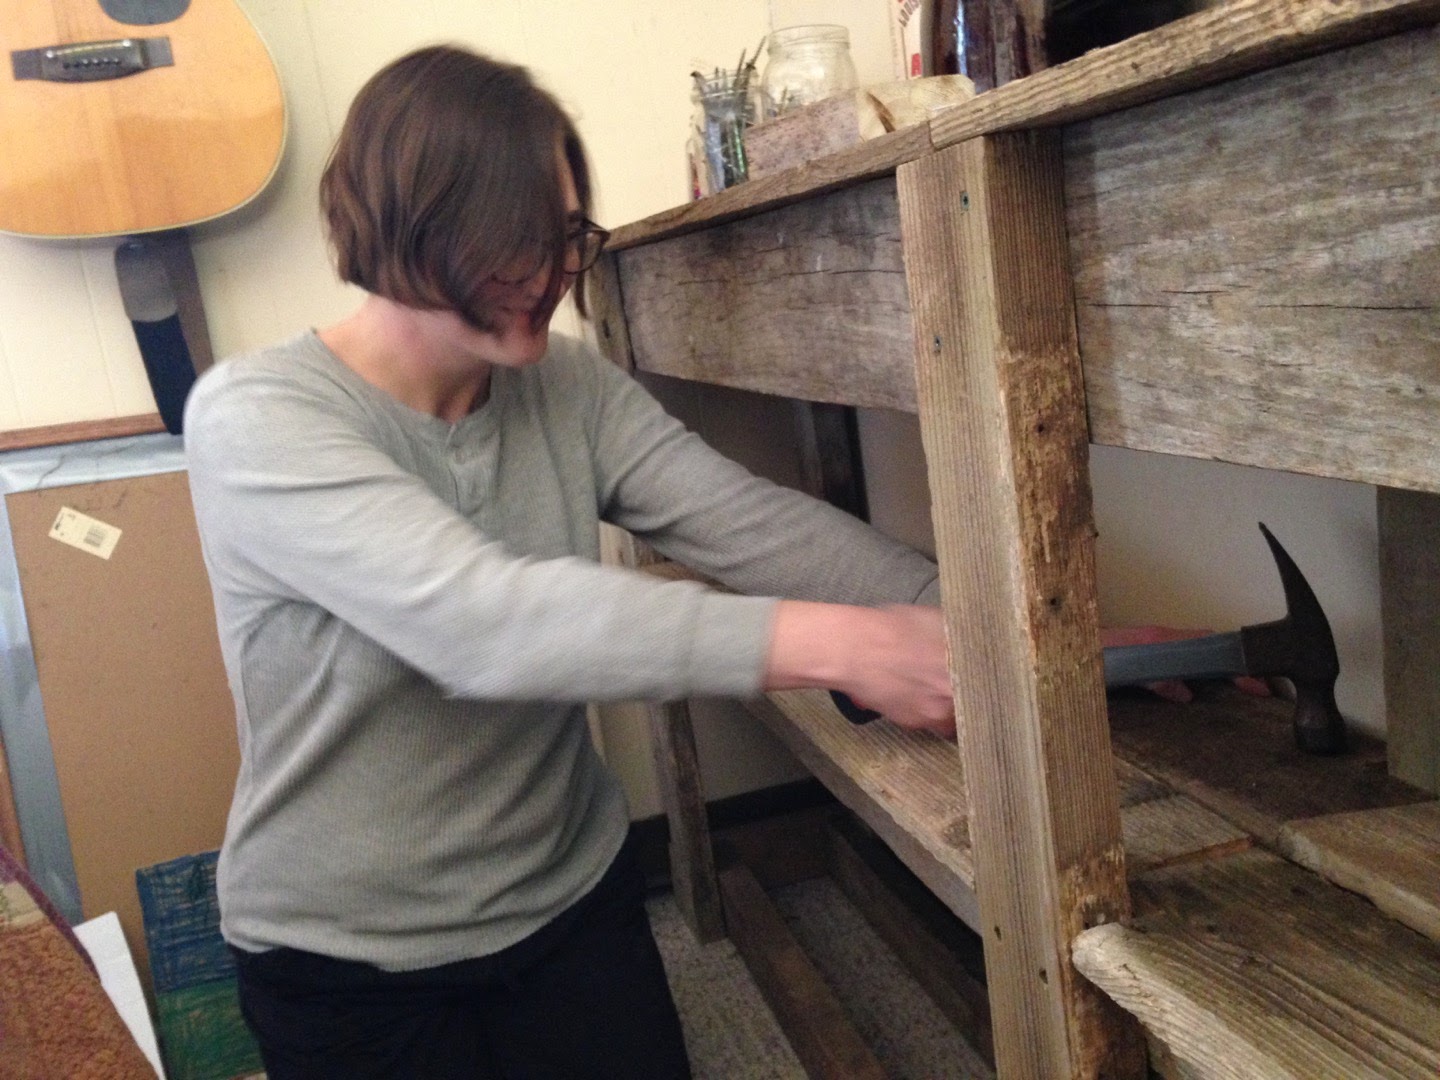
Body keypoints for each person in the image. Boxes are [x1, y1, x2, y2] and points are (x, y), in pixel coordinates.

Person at [184, 44, 955, 1080]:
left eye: (560, 239)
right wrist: (845, 647)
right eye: (508, 248)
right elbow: (487, 625)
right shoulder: (256, 416)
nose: (548, 278)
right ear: (400, 229)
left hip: (569, 896)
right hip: (351, 960)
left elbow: (748, 522)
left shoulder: (570, 390)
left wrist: (987, 620)